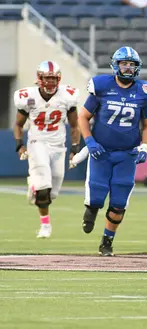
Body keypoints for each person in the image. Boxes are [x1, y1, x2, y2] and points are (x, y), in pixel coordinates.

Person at [78, 46, 147, 256]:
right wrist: (90, 141)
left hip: (127, 153)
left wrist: (144, 146)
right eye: (124, 63)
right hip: (101, 151)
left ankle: (107, 241)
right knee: (96, 196)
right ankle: (92, 209)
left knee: (119, 202)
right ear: (116, 65)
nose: (128, 68)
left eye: (132, 64)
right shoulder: (102, 86)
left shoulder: (144, 91)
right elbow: (83, 116)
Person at [13, 61, 80, 239]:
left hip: (58, 145)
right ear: (39, 79)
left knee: (52, 193)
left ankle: (33, 185)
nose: (50, 82)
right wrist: (20, 144)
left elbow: (74, 126)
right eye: (47, 78)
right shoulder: (28, 96)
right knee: (44, 189)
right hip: (37, 143)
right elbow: (18, 124)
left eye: (53, 78)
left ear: (59, 79)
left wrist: (75, 148)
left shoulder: (68, 96)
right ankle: (45, 226)